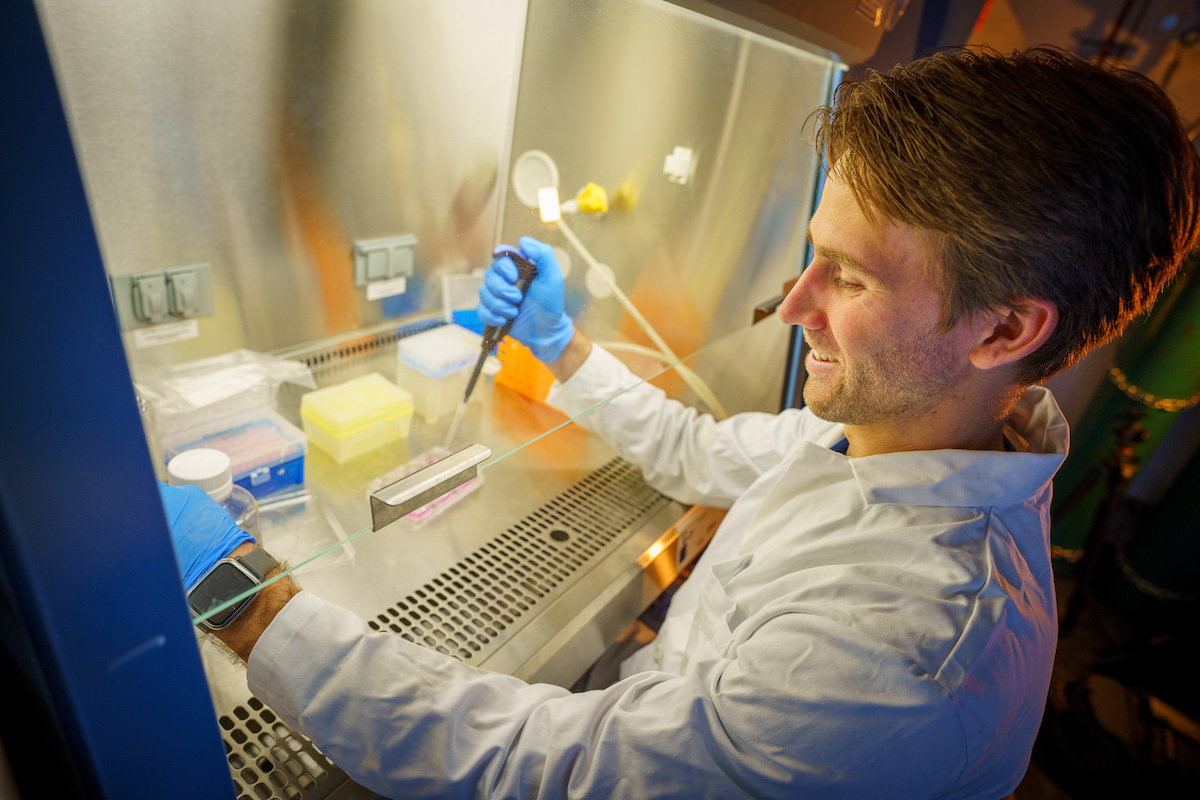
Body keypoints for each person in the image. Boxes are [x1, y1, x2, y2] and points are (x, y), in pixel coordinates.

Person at [168, 47, 1200, 798]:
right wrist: (561, 344)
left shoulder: (904, 654)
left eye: (846, 276)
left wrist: (246, 601)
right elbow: (700, 451)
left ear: (1004, 329)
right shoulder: (908, 435)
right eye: (813, 256)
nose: (796, 308)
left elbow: (550, 769)